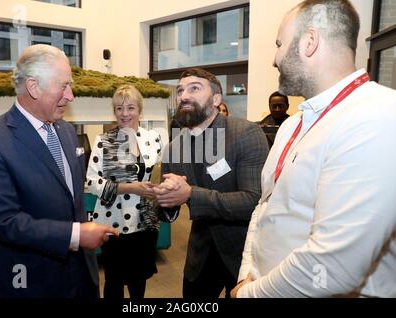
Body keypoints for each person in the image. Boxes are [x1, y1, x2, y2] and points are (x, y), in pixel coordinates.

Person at [232, 0, 396, 298]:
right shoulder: (292, 125)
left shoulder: (379, 116)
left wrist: (248, 295)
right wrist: (248, 274)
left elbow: (331, 268)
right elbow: (264, 209)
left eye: (280, 44)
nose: (274, 58)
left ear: (309, 42)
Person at [0, 44, 118, 298]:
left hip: (82, 274)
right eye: (63, 86)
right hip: (32, 280)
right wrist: (76, 234)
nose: (70, 96)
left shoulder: (68, 132)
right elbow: (5, 222)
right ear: (33, 87)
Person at [153, 68, 269, 298]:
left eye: (194, 88)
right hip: (200, 254)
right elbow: (164, 211)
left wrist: (189, 195)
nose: (183, 96)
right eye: (180, 90)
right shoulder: (174, 148)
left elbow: (254, 201)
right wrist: (166, 200)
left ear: (216, 99)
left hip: (244, 255)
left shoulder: (246, 134)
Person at [86, 85, 163, 298]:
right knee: (114, 281)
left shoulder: (153, 139)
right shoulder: (103, 141)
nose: (125, 113)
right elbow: (92, 183)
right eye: (119, 108)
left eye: (130, 107)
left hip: (145, 222)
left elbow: (158, 174)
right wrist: (130, 187)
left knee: (139, 281)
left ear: (140, 110)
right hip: (113, 223)